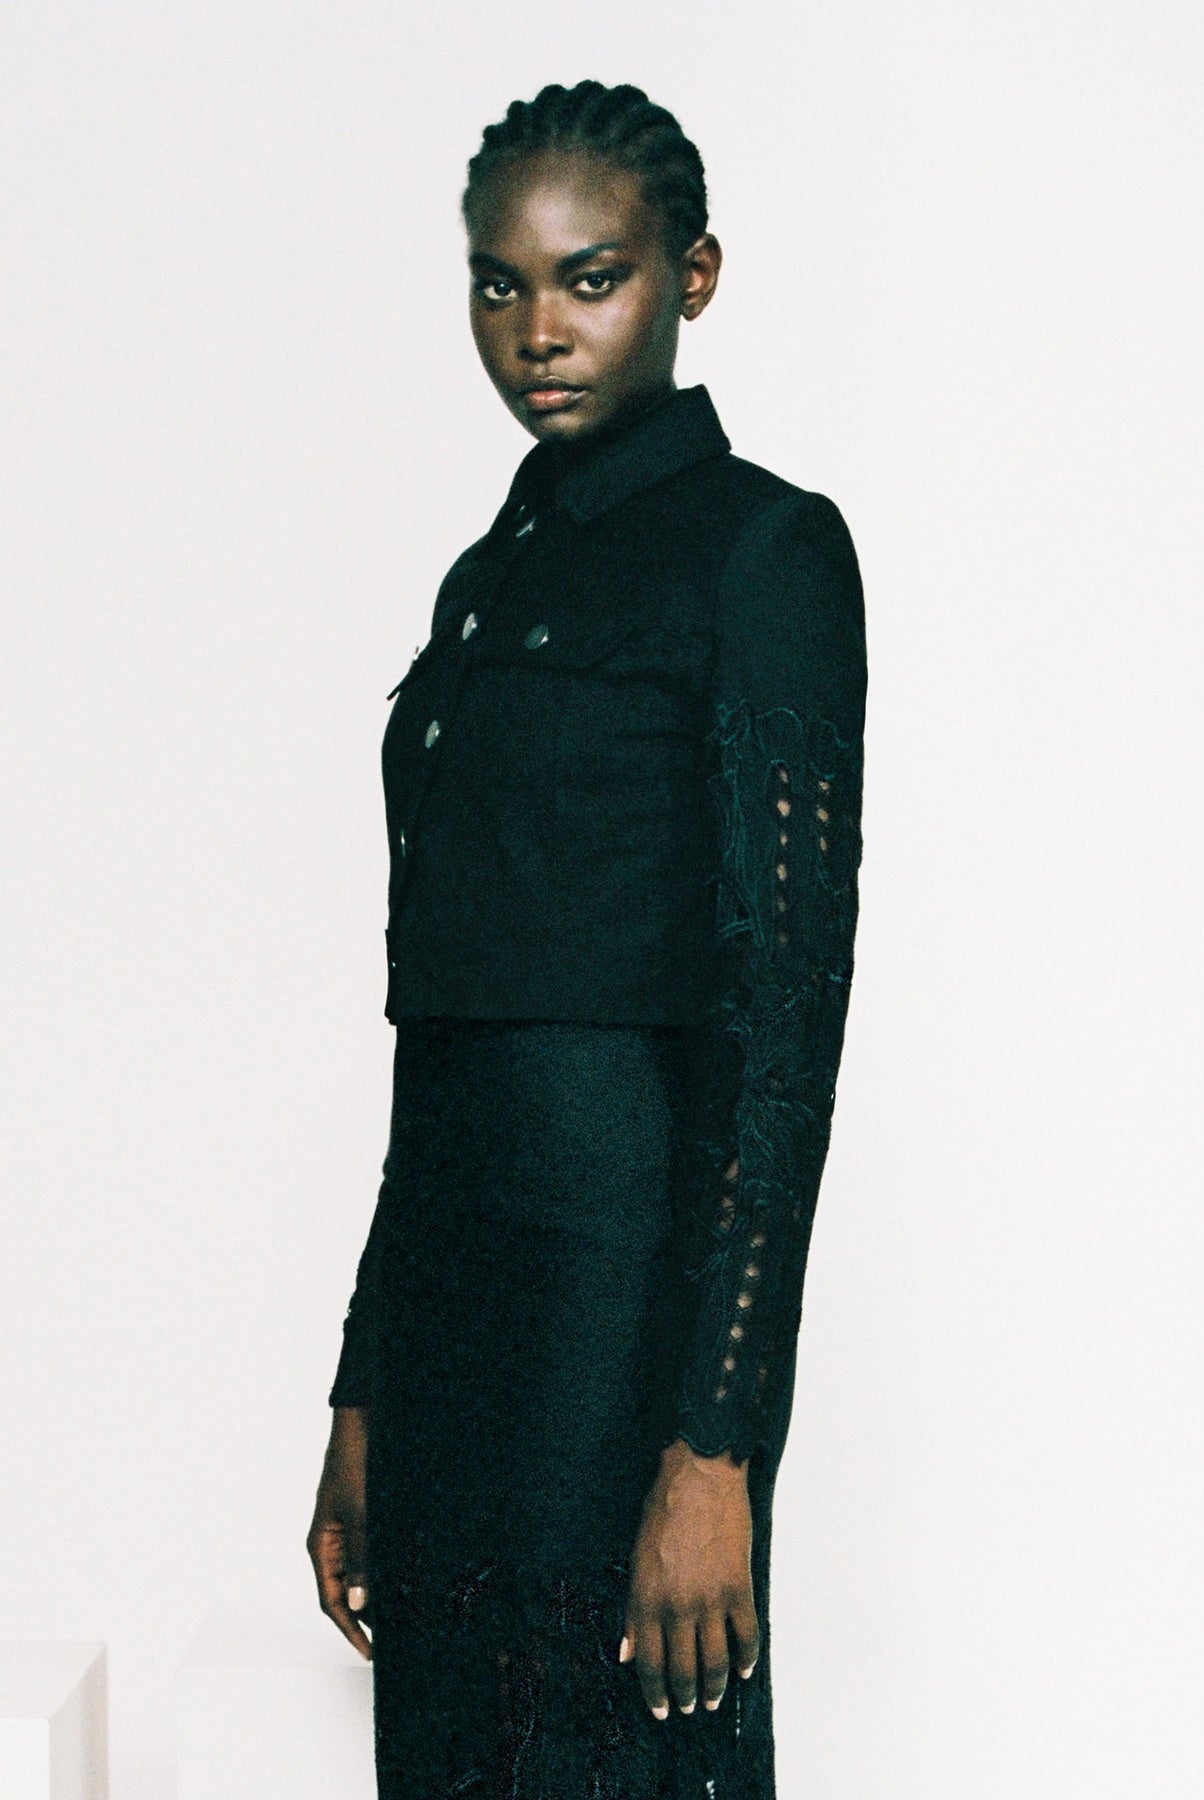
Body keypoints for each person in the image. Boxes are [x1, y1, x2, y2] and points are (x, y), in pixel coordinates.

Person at [305, 78, 867, 1800]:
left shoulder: (765, 550)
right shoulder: (487, 580)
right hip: (452, 1306)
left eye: (591, 278)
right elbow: (437, 1040)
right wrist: (364, 1392)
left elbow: (785, 1030)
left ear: (693, 278)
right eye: (500, 283)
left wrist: (717, 1449)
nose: (537, 330)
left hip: (621, 1303)